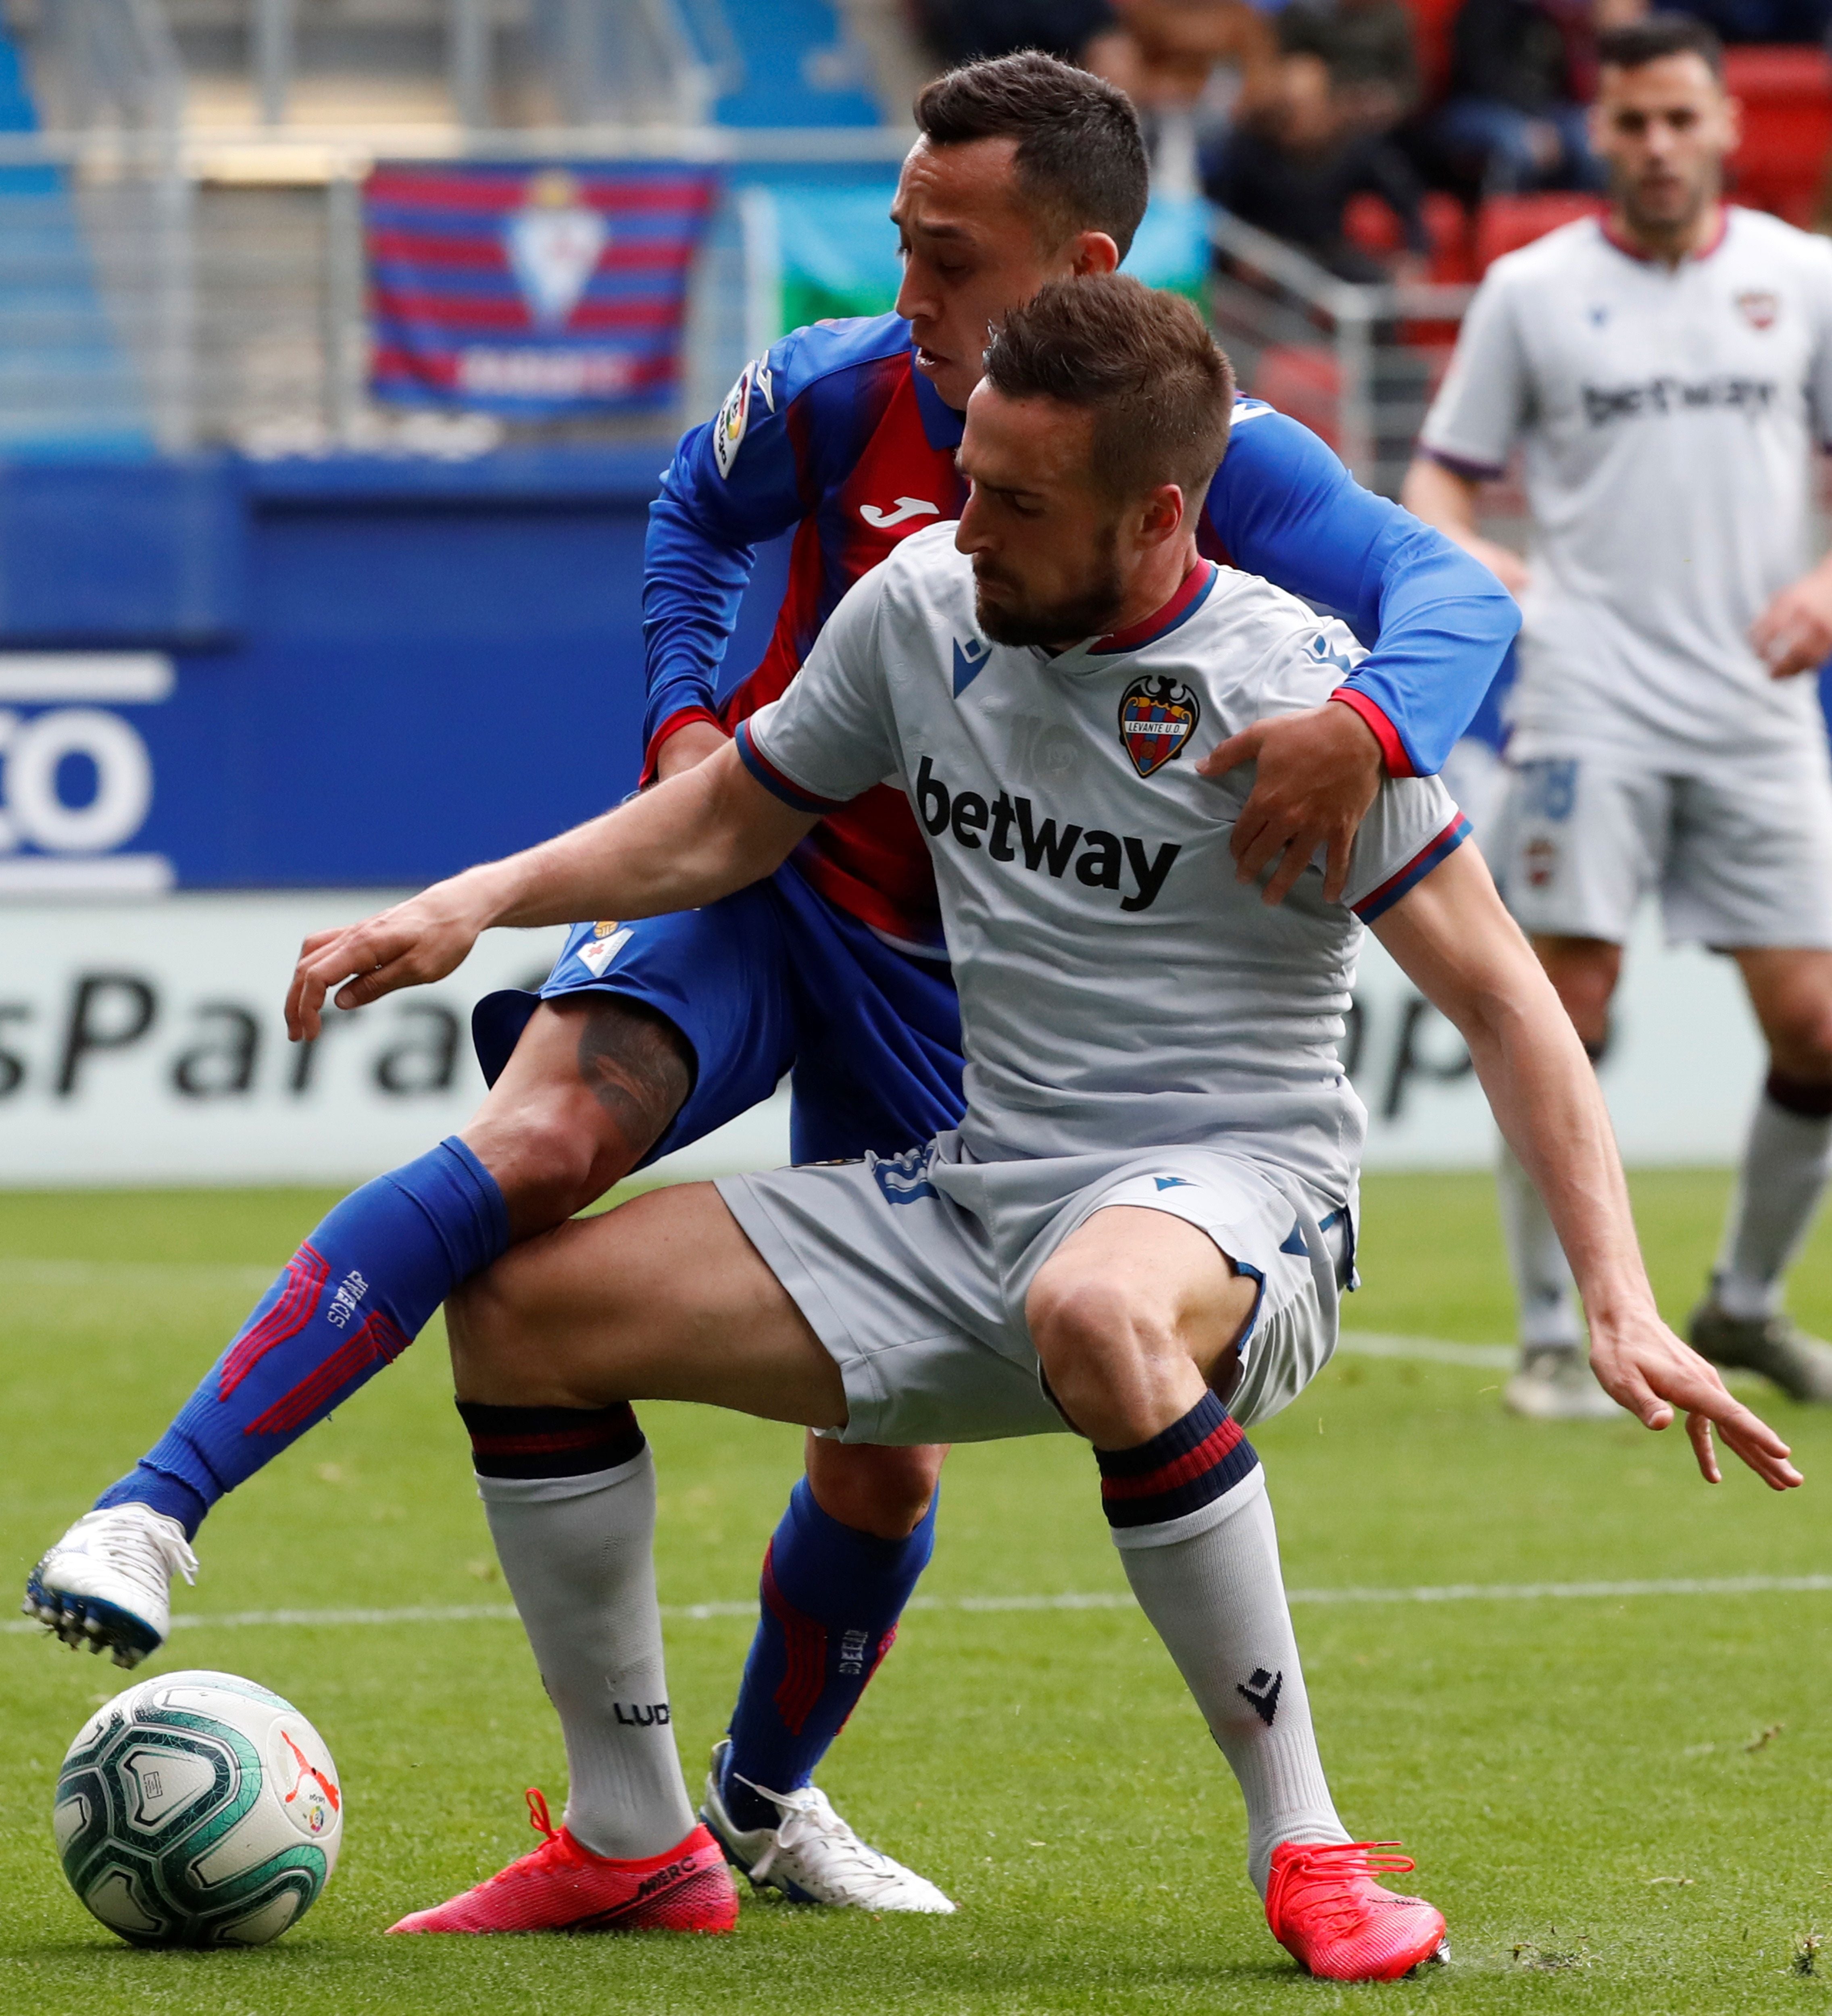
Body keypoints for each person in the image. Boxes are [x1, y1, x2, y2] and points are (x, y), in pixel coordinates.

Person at [25, 54, 1520, 1912]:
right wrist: (677, 718)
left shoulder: (1217, 462)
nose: (904, 291)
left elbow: (1460, 600)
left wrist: (1369, 729)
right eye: (898, 242)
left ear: (1080, 260)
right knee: (543, 1144)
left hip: (966, 974)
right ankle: (157, 1504)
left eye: (947, 256)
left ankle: (740, 1813)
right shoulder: (826, 391)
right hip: (754, 864)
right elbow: (689, 517)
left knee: (877, 1469)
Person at [283, 275, 1798, 1971]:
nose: (963, 525)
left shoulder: (1291, 697)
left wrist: (1615, 1296)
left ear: (1155, 518)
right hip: (983, 1190)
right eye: (965, 478)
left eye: (1015, 502)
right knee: (520, 1314)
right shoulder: (923, 604)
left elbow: (1513, 1003)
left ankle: (1307, 1842)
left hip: (1242, 1202)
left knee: (1096, 1295)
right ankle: (636, 1835)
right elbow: (721, 824)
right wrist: (467, 905)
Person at [1402, 16, 1832, 1419]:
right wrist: (1473, 559)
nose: (1654, 145)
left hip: (1757, 703)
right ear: (1601, 131)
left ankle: (1746, 1304)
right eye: (1631, 122)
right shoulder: (1532, 291)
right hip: (1590, 697)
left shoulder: (1802, 279)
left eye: (1678, 121)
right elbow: (1441, 481)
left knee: (1818, 1030)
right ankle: (1548, 1336)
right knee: (1562, 1001)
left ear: (1724, 130)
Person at [1206, 50, 1433, 282]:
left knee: (1372, 287)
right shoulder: (1248, 146)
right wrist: (1237, 254)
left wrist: (1415, 256)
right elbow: (1215, 215)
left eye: (1304, 105)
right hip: (1266, 257)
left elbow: (1408, 201)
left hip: (1326, 251)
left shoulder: (1353, 146)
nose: (1292, 117)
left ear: (1328, 106)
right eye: (1286, 106)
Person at [1433, 0, 1614, 195]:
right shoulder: (1481, 12)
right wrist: (1533, 124)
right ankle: (1504, 220)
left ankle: (1579, 217)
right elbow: (1483, 77)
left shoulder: (1544, 16)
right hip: (1475, 109)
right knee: (1517, 146)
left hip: (1542, 111)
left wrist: (1543, 123)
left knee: (1589, 137)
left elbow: (1559, 79)